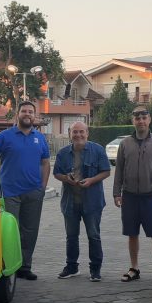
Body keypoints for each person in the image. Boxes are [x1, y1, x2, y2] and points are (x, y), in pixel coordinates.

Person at [0, 100, 50, 280]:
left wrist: (43, 187)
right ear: (17, 114)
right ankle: (8, 267)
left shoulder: (40, 138)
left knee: (30, 231)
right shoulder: (5, 136)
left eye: (30, 111)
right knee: (9, 231)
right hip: (9, 193)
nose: (27, 114)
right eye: (24, 111)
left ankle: (25, 266)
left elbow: (46, 163)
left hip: (33, 193)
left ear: (34, 115)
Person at [112, 106, 152, 282]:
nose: (141, 121)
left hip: (151, 196)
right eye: (137, 118)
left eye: (144, 118)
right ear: (133, 121)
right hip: (129, 196)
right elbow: (119, 169)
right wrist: (117, 193)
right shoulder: (125, 144)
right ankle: (134, 268)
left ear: (149, 120)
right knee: (132, 233)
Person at [53, 121, 112, 282]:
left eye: (81, 132)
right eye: (75, 132)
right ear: (69, 134)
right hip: (70, 203)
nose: (78, 135)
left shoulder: (98, 150)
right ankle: (72, 267)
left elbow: (106, 171)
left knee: (94, 236)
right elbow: (56, 173)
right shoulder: (63, 153)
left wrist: (92, 180)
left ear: (87, 133)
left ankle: (95, 269)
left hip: (92, 202)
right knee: (71, 236)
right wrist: (66, 178)